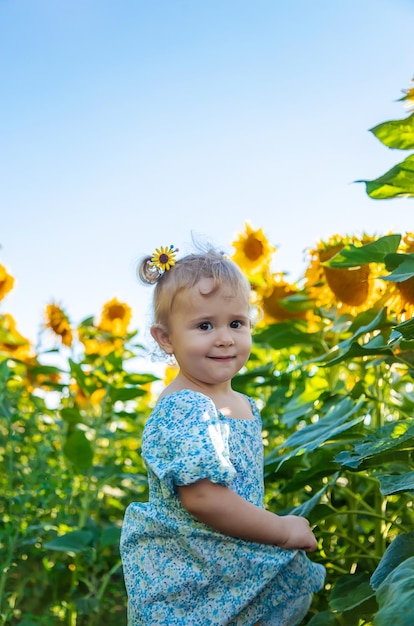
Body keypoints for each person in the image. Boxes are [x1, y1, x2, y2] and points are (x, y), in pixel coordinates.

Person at [120, 244, 326, 625]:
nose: (225, 338)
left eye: (236, 323)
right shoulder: (186, 406)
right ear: (166, 339)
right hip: (193, 576)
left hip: (230, 563)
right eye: (204, 326)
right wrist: (280, 530)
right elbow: (203, 498)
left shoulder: (241, 402)